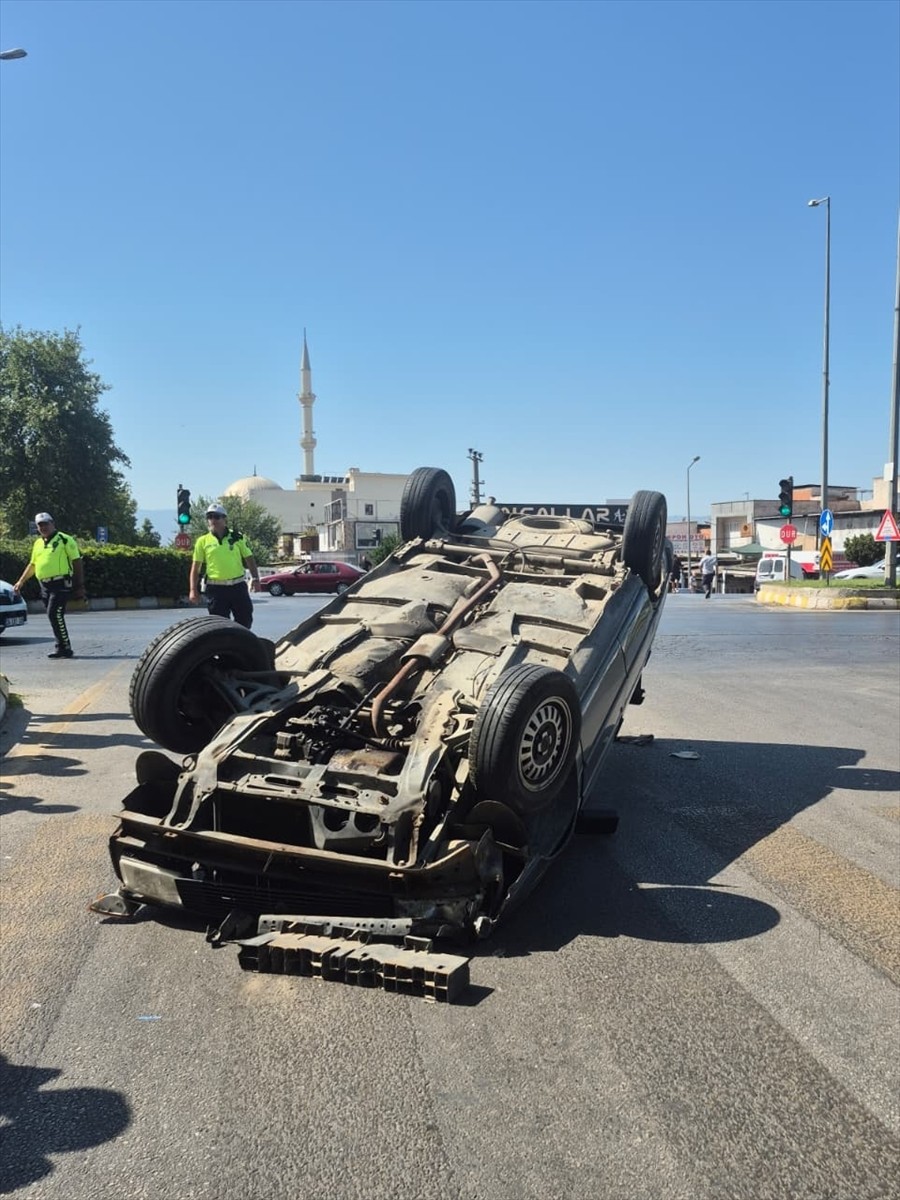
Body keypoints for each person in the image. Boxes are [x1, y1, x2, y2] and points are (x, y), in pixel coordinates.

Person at [13, 512, 85, 658]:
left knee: (54, 613)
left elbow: (77, 562)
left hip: (61, 583)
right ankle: (62, 647)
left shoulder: (65, 540)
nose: (43, 527)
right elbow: (33, 564)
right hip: (45, 585)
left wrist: (79, 586)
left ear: (53, 523)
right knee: (53, 615)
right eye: (40, 525)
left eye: (46, 523)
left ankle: (64, 647)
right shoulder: (38, 543)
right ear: (37, 528)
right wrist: (21, 581)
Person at [189, 504, 260, 628]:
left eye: (216, 517)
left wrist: (256, 578)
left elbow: (249, 558)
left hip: (237, 586)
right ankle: (226, 647)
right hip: (216, 589)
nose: (213, 520)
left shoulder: (237, 537)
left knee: (245, 620)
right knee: (219, 625)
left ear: (224, 519)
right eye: (209, 517)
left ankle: (242, 646)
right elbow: (195, 568)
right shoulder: (203, 541)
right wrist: (193, 590)